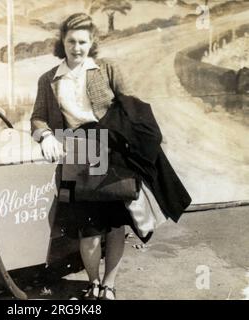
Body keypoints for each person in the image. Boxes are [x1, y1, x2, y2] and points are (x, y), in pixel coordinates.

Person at [30, 13, 191, 300]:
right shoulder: (48, 80)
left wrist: (129, 139)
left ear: (92, 43)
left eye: (82, 42)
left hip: (110, 152)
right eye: (71, 41)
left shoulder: (106, 69)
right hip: (76, 152)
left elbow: (131, 106)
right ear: (62, 42)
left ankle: (109, 285)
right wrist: (46, 136)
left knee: (115, 225)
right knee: (88, 230)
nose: (76, 48)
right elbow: (38, 118)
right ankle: (93, 283)